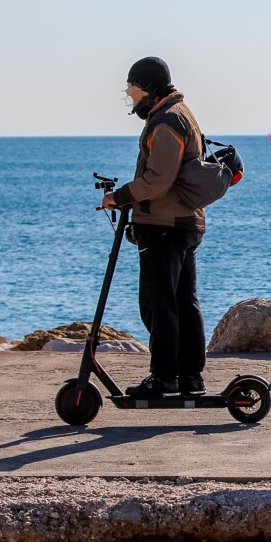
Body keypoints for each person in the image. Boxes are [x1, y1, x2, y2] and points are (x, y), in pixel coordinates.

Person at [101, 56, 208, 398]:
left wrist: (119, 197)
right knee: (183, 302)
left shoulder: (166, 120)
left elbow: (159, 179)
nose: (130, 96)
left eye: (132, 89)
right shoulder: (180, 113)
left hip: (165, 225)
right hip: (183, 222)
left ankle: (163, 378)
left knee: (158, 304)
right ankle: (190, 377)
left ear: (148, 87)